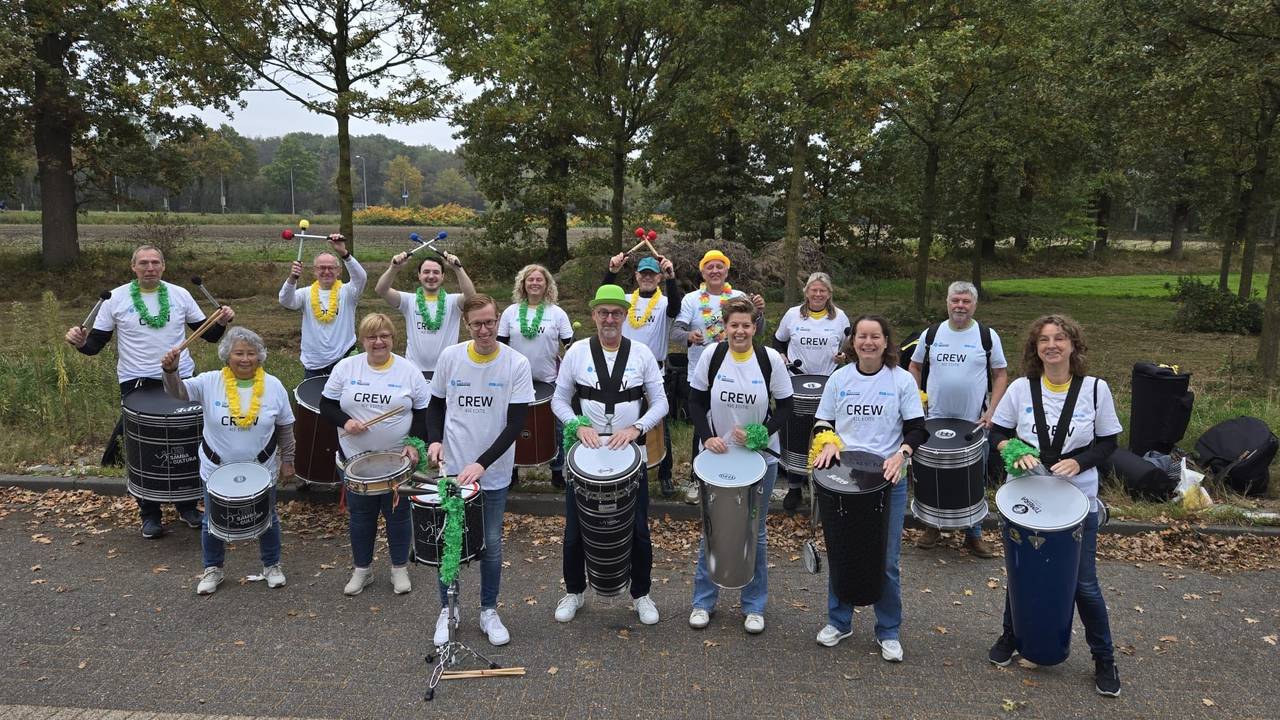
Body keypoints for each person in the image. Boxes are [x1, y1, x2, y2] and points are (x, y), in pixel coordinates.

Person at [986, 314, 1123, 697]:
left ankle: (1104, 658)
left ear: (1073, 346)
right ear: (1036, 349)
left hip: (1078, 503)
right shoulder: (1019, 388)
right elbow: (998, 432)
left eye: (1060, 338)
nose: (1052, 345)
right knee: (1020, 574)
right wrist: (1012, 449)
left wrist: (1080, 462)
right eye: (1044, 339)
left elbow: (1109, 441)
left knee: (1083, 585)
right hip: (1025, 500)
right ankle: (1011, 637)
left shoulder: (1096, 389)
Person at [64, 245, 234, 539]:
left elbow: (209, 336)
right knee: (145, 449)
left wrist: (220, 322)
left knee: (185, 441)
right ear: (133, 267)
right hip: (137, 382)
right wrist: (79, 343)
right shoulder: (115, 298)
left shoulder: (181, 294)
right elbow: (94, 346)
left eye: (155, 262)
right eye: (143, 263)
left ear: (164, 266)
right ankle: (150, 513)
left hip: (179, 378)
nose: (150, 267)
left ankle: (187, 506)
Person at [810, 315, 927, 662]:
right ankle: (839, 621)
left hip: (887, 482)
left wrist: (902, 453)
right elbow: (822, 422)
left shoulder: (901, 380)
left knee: (886, 561)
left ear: (886, 341)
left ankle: (888, 630)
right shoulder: (839, 378)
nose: (868, 343)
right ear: (853, 342)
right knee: (842, 551)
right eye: (862, 336)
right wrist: (828, 441)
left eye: (875, 337)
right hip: (844, 482)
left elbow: (918, 429)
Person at [551, 285, 669, 626]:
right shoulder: (576, 353)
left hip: (631, 457)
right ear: (593, 315)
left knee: (638, 530)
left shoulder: (642, 353)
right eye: (603, 312)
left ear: (624, 316)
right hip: (586, 456)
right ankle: (574, 591)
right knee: (574, 531)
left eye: (616, 312)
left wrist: (636, 429)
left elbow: (660, 402)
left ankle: (641, 594)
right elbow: (558, 400)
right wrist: (576, 425)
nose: (609, 319)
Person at [428, 294, 534, 647]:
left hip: (493, 472)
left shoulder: (516, 363)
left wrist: (482, 464)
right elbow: (436, 405)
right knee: (450, 541)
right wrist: (433, 440)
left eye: (490, 322)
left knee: (490, 543)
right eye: (477, 324)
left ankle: (489, 610)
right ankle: (448, 609)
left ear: (498, 319)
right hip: (453, 471)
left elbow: (515, 423)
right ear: (467, 325)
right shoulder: (450, 357)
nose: (485, 330)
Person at [160, 327, 295, 595]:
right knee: (212, 520)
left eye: (251, 353)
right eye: (239, 353)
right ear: (227, 356)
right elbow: (178, 393)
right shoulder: (210, 381)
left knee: (269, 518)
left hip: (262, 467)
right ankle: (213, 569)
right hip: (216, 468)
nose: (245, 359)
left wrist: (288, 460)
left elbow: (285, 427)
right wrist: (171, 371)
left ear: (260, 356)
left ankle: (272, 565)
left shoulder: (274, 385)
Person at [686, 297, 792, 635]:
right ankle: (703, 602)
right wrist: (706, 437)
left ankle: (754, 606)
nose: (741, 331)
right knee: (711, 530)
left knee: (754, 533)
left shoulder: (769, 359)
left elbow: (787, 407)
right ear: (725, 326)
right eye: (734, 325)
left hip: (760, 460)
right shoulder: (713, 356)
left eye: (746, 325)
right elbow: (695, 399)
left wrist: (763, 433)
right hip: (719, 457)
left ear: (755, 326)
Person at [319, 313, 428, 597]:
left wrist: (415, 443)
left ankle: (399, 569)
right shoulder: (346, 368)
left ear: (393, 338)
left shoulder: (408, 371)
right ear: (362, 340)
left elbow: (423, 412)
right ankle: (362, 570)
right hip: (355, 459)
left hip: (397, 460)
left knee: (398, 515)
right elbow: (327, 405)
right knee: (361, 516)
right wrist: (346, 422)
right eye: (372, 337)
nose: (378, 342)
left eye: (384, 336)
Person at [907, 281, 1009, 556]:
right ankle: (932, 526)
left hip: (973, 422)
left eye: (966, 301)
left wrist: (992, 412)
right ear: (947, 303)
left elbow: (1000, 374)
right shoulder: (932, 333)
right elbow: (914, 366)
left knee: (974, 475)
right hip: (934, 419)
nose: (960, 306)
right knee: (931, 473)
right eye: (956, 301)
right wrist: (916, 398)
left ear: (974, 305)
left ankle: (973, 533)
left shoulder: (987, 336)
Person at [674, 250, 766, 503]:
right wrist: (689, 337)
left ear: (727, 271)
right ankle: (697, 478)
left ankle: (737, 474)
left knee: (734, 426)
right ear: (702, 272)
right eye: (709, 267)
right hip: (702, 372)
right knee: (702, 429)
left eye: (719, 267)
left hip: (738, 371)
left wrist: (761, 313)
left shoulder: (739, 297)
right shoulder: (692, 300)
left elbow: (758, 330)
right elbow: (676, 331)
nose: (715, 271)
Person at [772, 271, 851, 510]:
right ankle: (795, 487)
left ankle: (823, 484)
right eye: (813, 290)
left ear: (829, 293)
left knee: (824, 435)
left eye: (822, 290)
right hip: (795, 384)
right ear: (806, 292)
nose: (818, 294)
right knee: (796, 434)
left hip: (828, 385)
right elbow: (778, 342)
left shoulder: (840, 318)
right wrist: (783, 356)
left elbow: (848, 347)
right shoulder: (792, 315)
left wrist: (844, 356)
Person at [602, 253, 679, 496]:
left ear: (657, 277)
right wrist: (612, 272)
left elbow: (677, 307)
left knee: (659, 423)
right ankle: (624, 467)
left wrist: (671, 278)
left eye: (651, 274)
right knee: (625, 420)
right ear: (636, 276)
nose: (646, 278)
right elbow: (604, 296)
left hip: (655, 370)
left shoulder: (665, 302)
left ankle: (665, 474)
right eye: (642, 274)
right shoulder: (625, 300)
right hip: (624, 369)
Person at [498, 264, 574, 486]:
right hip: (514, 380)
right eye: (530, 279)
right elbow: (501, 347)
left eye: (539, 280)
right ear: (523, 284)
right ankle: (512, 472)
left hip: (549, 380)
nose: (534, 283)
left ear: (547, 284)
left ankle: (557, 472)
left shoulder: (557, 313)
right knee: (512, 425)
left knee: (556, 427)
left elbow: (570, 346)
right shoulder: (511, 312)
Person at [373, 246, 475, 374]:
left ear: (443, 276)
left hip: (446, 371)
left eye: (436, 272)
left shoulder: (453, 302)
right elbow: (381, 290)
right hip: (413, 371)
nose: (431, 276)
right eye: (426, 272)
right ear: (419, 276)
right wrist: (394, 268)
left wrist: (458, 268)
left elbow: (471, 297)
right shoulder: (409, 301)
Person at [279, 234, 367, 378]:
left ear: (338, 271)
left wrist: (344, 253)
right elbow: (285, 300)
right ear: (315, 271)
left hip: (344, 359)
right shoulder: (305, 293)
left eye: (331, 268)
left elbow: (361, 277)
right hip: (314, 363)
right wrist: (292, 278)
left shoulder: (348, 292)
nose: (326, 271)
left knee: (343, 401)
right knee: (313, 401)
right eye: (322, 268)